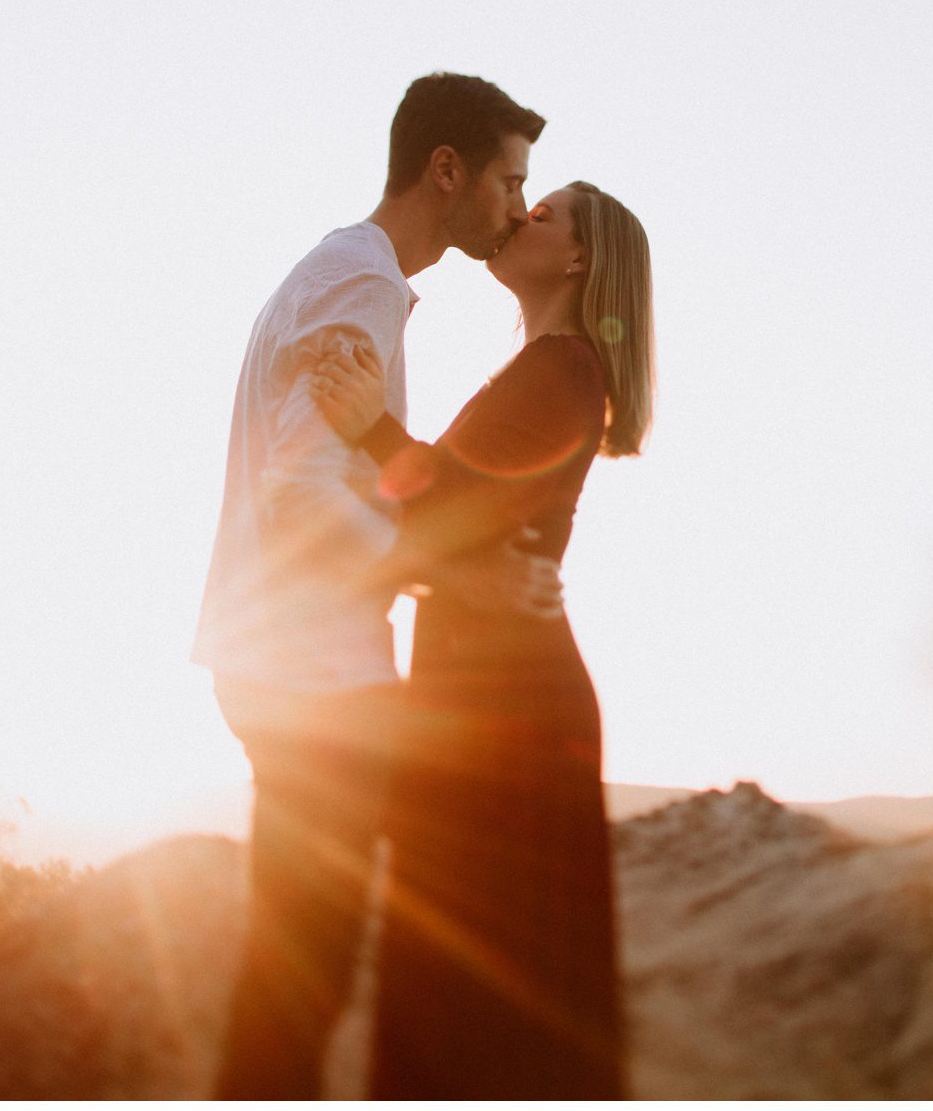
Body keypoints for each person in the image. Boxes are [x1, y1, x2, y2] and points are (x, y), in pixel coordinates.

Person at [191, 72, 560, 1100]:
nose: (518, 207)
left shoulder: (345, 271)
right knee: (312, 974)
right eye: (507, 180)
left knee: (295, 970)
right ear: (447, 171)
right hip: (313, 674)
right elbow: (304, 485)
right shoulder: (358, 282)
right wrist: (432, 573)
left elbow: (329, 472)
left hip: (287, 661)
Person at [308, 179, 654, 1099]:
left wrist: (370, 430)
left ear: (578, 259)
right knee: (461, 989)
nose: (521, 215)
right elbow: (461, 516)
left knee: (486, 995)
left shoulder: (567, 370)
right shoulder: (541, 368)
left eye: (545, 214)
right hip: (483, 696)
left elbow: (456, 507)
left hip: (516, 715)